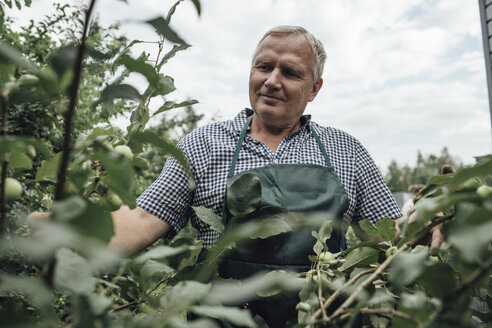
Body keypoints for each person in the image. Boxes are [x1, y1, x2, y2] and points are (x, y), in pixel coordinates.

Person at [32, 25, 437, 326]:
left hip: (323, 319)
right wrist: (72, 231)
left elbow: (391, 234)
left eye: (290, 72)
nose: (272, 81)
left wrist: (434, 212)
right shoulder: (205, 145)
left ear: (314, 88)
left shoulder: (346, 151)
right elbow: (142, 221)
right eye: (264, 66)